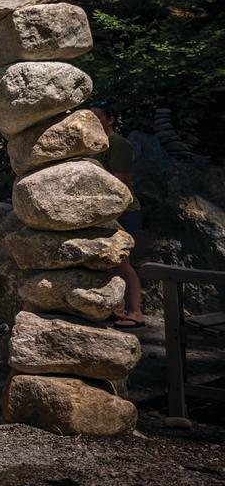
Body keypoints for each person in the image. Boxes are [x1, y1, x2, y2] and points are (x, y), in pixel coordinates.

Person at [91, 105, 145, 329]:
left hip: (124, 210)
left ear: (110, 119)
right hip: (102, 211)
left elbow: (121, 182)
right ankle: (117, 309)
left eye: (97, 117)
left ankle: (135, 312)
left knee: (121, 263)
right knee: (106, 264)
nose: (92, 121)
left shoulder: (118, 144)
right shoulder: (94, 146)